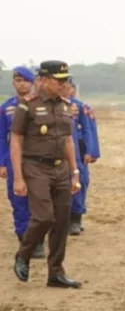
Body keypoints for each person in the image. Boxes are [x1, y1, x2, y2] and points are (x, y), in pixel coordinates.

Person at [10, 60, 82, 288]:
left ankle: (56, 273)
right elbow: (16, 141)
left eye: (65, 80)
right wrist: (18, 177)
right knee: (44, 217)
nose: (63, 84)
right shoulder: (27, 105)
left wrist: (75, 172)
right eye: (58, 80)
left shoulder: (65, 106)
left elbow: (68, 140)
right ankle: (23, 254)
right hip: (35, 167)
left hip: (60, 168)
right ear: (43, 80)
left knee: (61, 222)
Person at [0, 66, 45, 258]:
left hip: (38, 159)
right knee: (18, 201)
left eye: (25, 80)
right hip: (14, 160)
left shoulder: (42, 104)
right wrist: (2, 163)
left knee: (39, 201)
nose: (22, 84)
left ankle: (38, 241)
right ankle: (25, 241)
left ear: (32, 83)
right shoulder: (6, 108)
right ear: (13, 83)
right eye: (18, 81)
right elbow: (2, 137)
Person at [60, 79, 97, 236]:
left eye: (67, 87)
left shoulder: (79, 107)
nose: (65, 90)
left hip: (76, 150)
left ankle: (76, 219)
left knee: (79, 182)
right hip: (54, 152)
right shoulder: (47, 106)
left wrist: (90, 151)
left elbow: (88, 129)